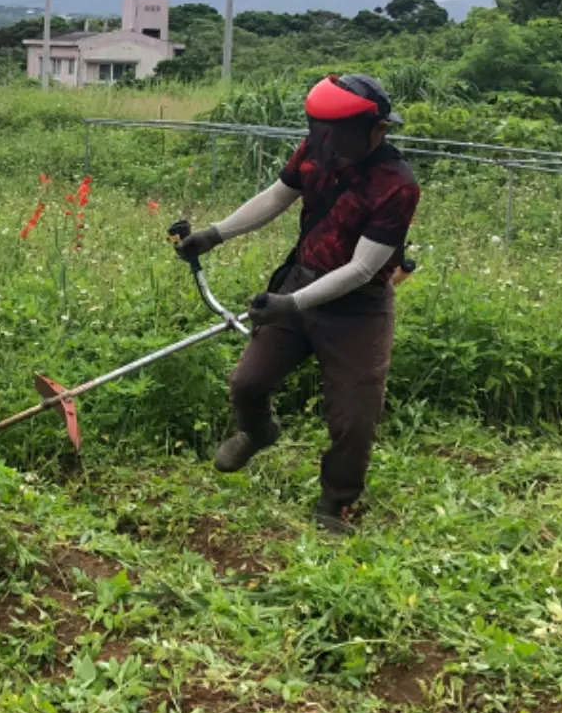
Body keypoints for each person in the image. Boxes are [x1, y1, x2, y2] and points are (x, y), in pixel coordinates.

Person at [175, 74, 420, 533]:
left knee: (354, 418)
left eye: (340, 132)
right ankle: (258, 431)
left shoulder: (396, 186)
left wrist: (291, 305)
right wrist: (214, 234)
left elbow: (364, 268)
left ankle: (335, 504)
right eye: (322, 130)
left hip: (358, 309)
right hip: (299, 283)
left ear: (377, 129)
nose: (329, 142)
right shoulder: (317, 153)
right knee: (248, 382)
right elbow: (276, 197)